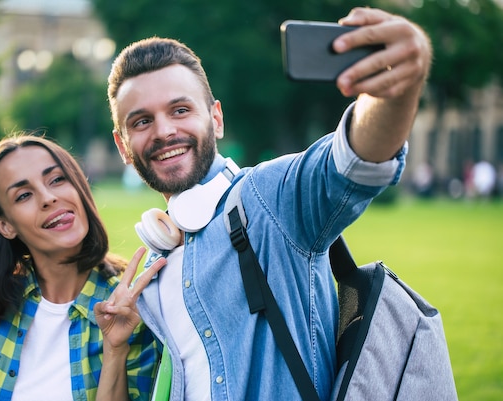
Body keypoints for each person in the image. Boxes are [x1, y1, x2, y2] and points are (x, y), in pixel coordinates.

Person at [106, 7, 432, 401]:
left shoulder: (269, 198)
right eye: (141, 121)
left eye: (180, 110)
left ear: (216, 119)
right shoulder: (158, 262)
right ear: (123, 146)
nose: (164, 131)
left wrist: (395, 91)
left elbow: (354, 163)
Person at [0, 133, 166, 401]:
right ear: (5, 225)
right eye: (23, 195)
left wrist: (115, 348)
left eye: (57, 179)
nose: (48, 198)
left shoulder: (131, 310)